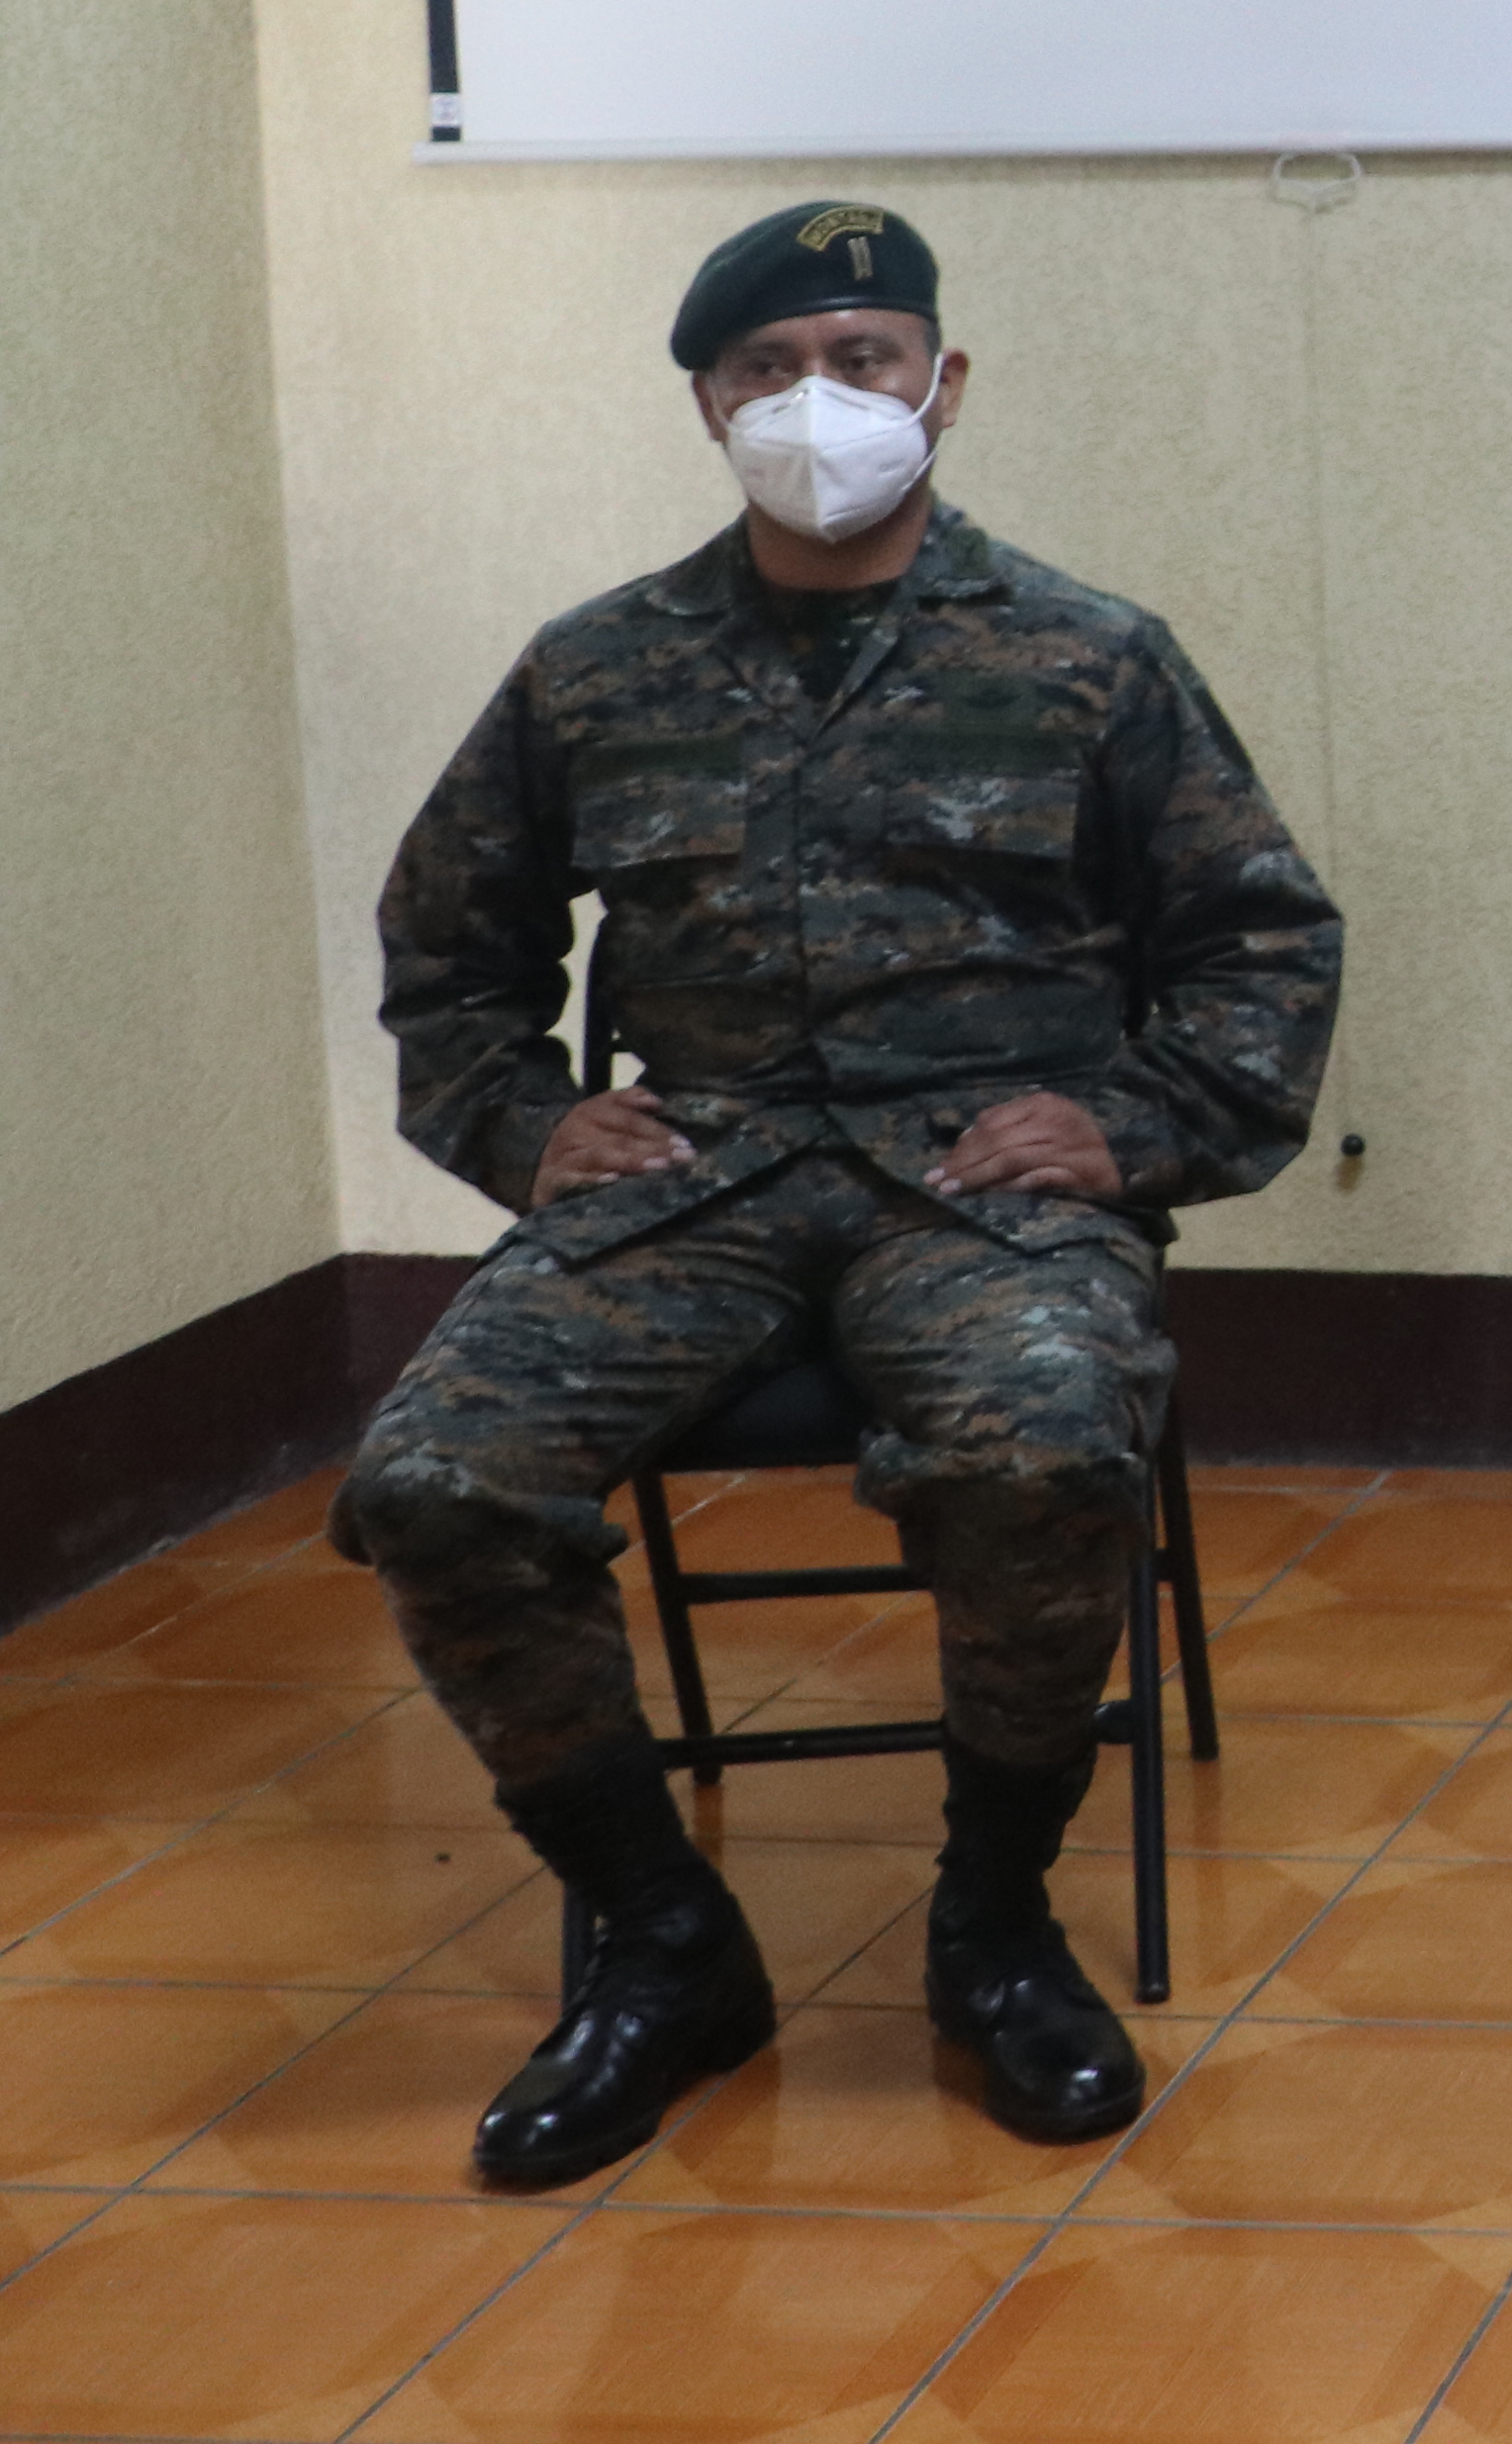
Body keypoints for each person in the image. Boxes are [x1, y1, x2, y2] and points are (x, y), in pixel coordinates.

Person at [344, 204, 1345, 2185]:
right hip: (690, 1177)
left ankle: (990, 1921)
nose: (822, 401)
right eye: (769, 368)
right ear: (709, 406)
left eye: (865, 358)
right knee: (429, 1479)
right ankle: (664, 1937)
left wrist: (1131, 1124)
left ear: (942, 384)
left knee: (1049, 1445)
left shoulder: (1088, 654)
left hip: (980, 1180)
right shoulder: (594, 669)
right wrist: (526, 1123)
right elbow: (447, 952)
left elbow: (1261, 943)